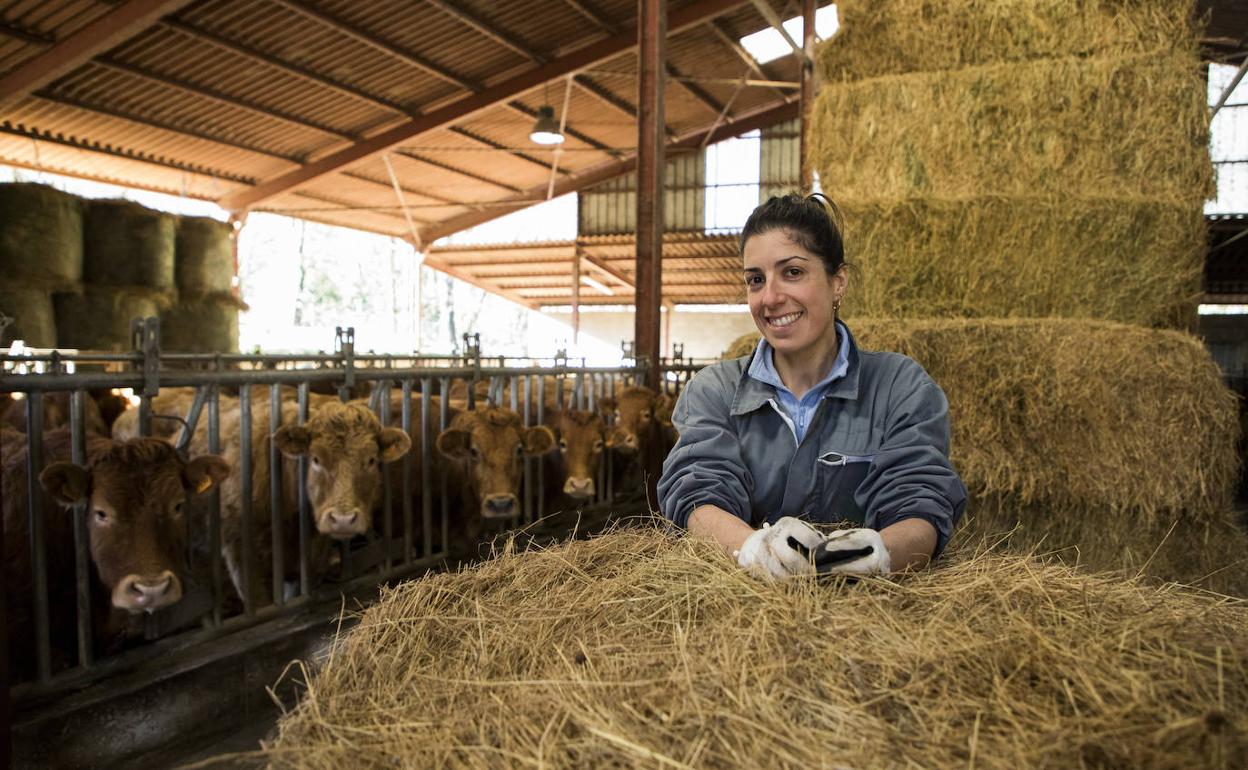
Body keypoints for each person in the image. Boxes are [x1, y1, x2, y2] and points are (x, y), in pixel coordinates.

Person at [657, 193, 967, 580]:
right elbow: (698, 494)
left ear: (838, 282)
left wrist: (881, 555)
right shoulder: (715, 390)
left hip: (874, 616)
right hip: (743, 614)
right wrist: (752, 550)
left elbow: (921, 500)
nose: (769, 298)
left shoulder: (898, 386)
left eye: (792, 273)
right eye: (756, 280)